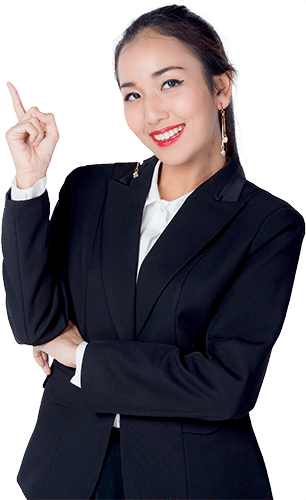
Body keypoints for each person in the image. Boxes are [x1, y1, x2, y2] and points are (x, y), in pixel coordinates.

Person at [2, 3, 304, 499]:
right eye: (132, 94)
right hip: (67, 471)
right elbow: (34, 323)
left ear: (221, 87)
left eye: (170, 83)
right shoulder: (90, 189)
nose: (151, 113)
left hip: (189, 480)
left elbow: (225, 385)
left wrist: (80, 355)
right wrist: (31, 181)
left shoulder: (267, 224)